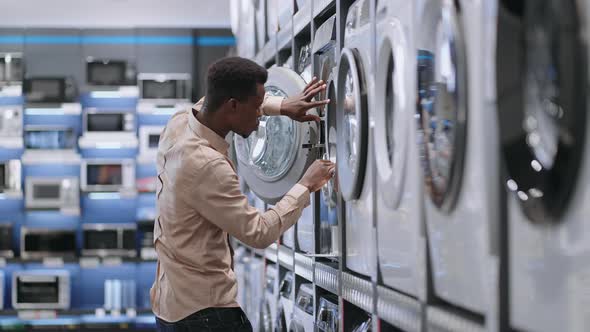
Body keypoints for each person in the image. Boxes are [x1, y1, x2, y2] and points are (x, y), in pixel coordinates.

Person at [151, 56, 336, 332]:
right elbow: (258, 233)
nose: (260, 115)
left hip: (170, 308)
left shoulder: (179, 124)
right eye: (257, 106)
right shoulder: (207, 166)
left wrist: (283, 106)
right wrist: (305, 184)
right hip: (204, 316)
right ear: (233, 106)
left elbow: (208, 101)